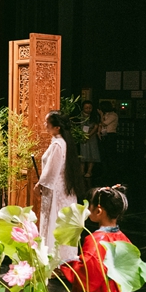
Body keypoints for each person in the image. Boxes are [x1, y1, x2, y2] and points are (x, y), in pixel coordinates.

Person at [34, 111, 85, 262]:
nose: (45, 125)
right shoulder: (63, 142)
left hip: (56, 189)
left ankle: (54, 258)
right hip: (64, 188)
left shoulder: (58, 144)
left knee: (55, 220)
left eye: (47, 123)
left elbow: (52, 169)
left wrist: (40, 184)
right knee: (63, 222)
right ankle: (63, 257)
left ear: (57, 127)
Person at [79, 100, 101, 179]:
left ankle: (89, 171)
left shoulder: (94, 116)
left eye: (90, 108)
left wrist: (89, 135)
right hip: (82, 136)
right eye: (86, 108)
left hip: (92, 137)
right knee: (82, 154)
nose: (88, 109)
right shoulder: (79, 116)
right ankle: (82, 171)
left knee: (92, 153)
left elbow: (96, 126)